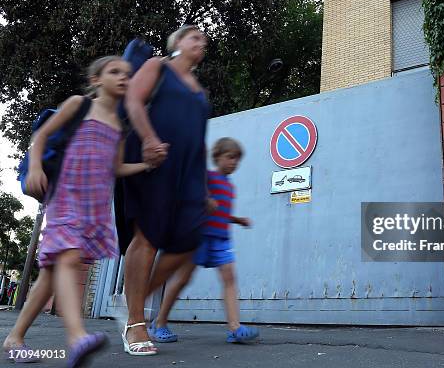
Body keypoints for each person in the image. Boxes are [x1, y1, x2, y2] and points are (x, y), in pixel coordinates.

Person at [3, 56, 150, 366]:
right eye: (114, 72)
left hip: (93, 206)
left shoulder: (119, 127)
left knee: (50, 275)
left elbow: (116, 168)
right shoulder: (78, 105)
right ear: (96, 79)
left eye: (127, 74)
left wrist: (146, 165)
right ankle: (77, 337)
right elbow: (41, 136)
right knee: (68, 257)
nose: (123, 77)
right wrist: (36, 167)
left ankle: (14, 338)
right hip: (66, 197)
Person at [118, 25, 211, 356]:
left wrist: (202, 187)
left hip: (187, 171)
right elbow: (133, 99)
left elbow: (199, 140)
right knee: (147, 237)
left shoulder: (200, 90)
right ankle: (134, 321)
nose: (201, 42)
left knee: (189, 240)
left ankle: (133, 300)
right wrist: (148, 138)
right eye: (194, 37)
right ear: (177, 43)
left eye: (204, 39)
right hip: (152, 158)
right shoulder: (159, 66)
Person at [148, 137, 259, 344]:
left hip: (221, 239)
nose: (234, 162)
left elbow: (221, 212)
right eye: (230, 157)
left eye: (237, 159)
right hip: (199, 237)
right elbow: (191, 188)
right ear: (217, 157)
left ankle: (235, 328)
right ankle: (159, 323)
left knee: (229, 279)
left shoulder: (230, 187)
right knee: (182, 279)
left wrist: (238, 220)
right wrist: (204, 197)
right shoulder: (207, 177)